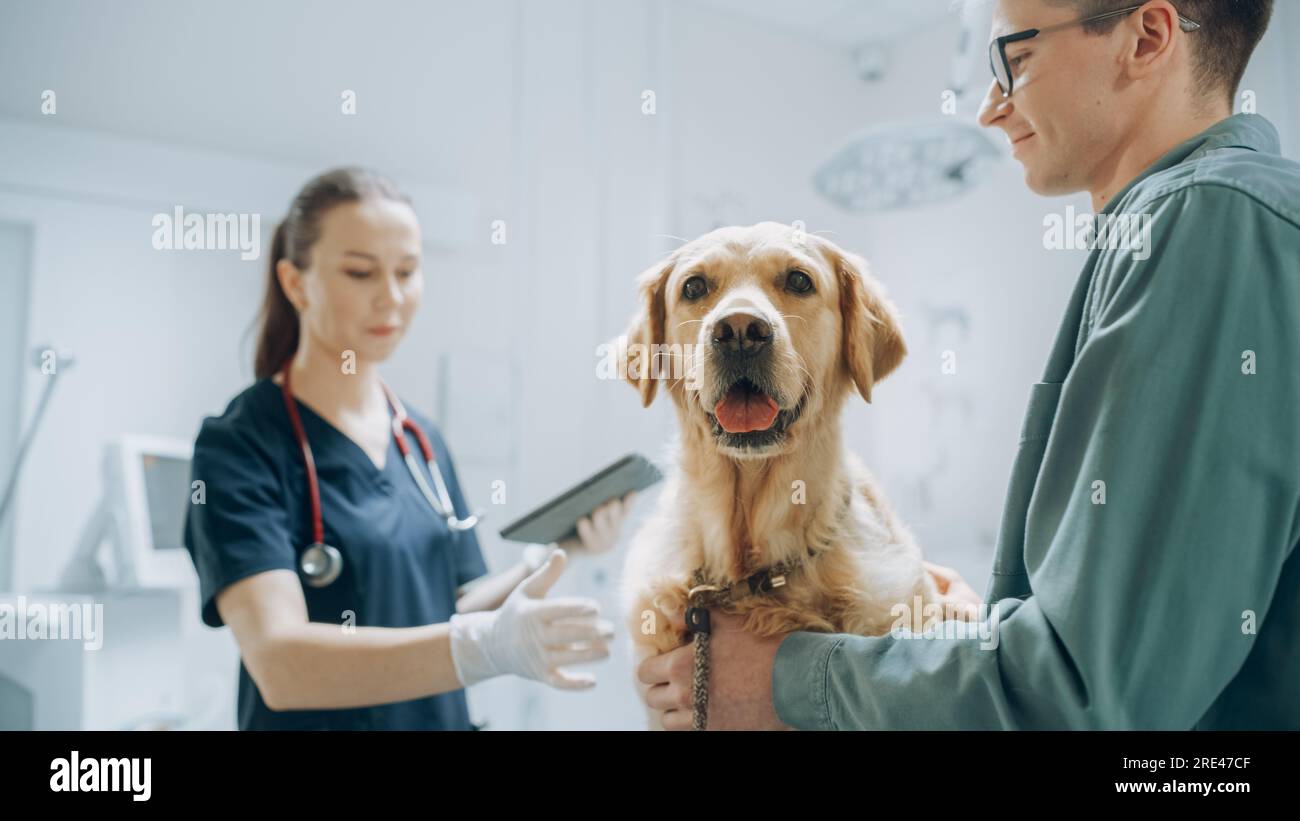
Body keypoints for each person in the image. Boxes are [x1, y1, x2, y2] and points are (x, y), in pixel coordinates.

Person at [639, 0, 1300, 730]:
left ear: (1145, 39)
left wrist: (790, 680)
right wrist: (982, 633)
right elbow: (1134, 649)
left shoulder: (1209, 222)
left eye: (1015, 58)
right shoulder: (1195, 226)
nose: (990, 108)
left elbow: (1092, 701)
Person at [184, 167, 631, 730]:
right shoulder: (241, 444)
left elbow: (455, 611)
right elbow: (282, 664)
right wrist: (479, 648)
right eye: (360, 272)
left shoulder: (419, 440)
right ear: (296, 284)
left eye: (407, 271)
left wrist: (553, 555)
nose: (391, 298)